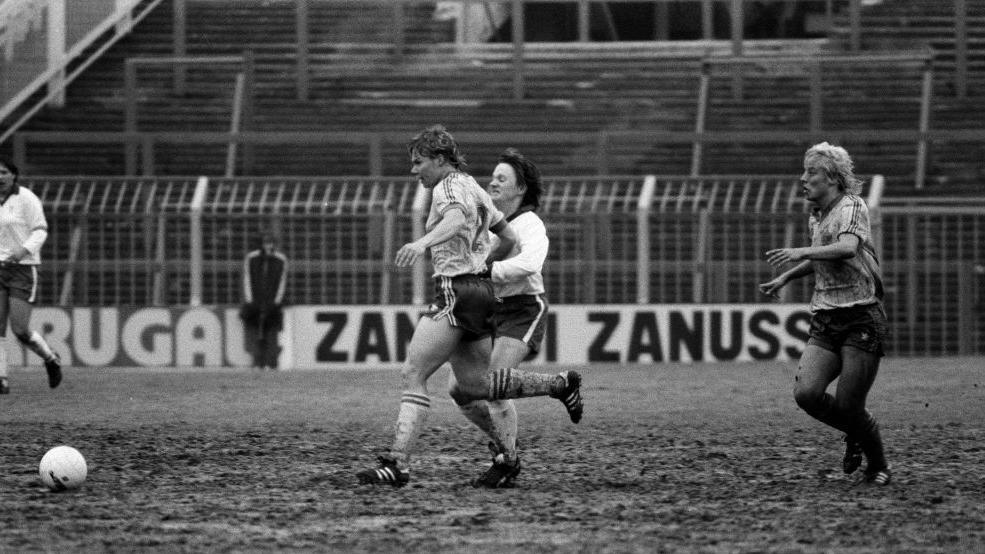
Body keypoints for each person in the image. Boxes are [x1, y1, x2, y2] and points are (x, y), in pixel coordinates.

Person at [355, 125, 527, 487]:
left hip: (455, 291)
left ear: (439, 159)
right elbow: (509, 237)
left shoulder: (447, 187)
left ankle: (397, 464)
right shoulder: (472, 186)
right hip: (480, 290)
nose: (414, 170)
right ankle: (510, 454)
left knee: (414, 374)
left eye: (419, 162)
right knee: (472, 387)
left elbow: (455, 219)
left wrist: (421, 244)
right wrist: (483, 267)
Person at [447, 148, 583, 488]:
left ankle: (508, 460)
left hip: (524, 309)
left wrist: (488, 269)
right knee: (461, 389)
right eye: (492, 176)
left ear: (520, 189)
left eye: (501, 177)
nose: (492, 181)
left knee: (493, 384)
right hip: (491, 308)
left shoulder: (529, 224)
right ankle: (548, 397)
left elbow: (530, 265)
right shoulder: (490, 224)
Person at [758, 142, 891, 486]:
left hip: (861, 315)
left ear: (832, 178)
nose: (803, 179)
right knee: (807, 395)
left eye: (811, 172)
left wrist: (799, 251)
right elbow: (823, 256)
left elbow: (847, 248)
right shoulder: (817, 214)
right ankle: (856, 431)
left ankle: (878, 466)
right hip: (826, 317)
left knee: (849, 405)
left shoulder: (852, 206)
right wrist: (788, 275)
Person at [0, 159, 62, 394]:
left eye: (4, 172)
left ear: (14, 176)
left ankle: (50, 358)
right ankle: (1, 378)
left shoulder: (26, 198)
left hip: (23, 269)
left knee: (20, 329)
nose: (0, 177)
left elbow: (40, 230)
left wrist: (23, 250)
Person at [240, 232, 287, 369]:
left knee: (271, 333)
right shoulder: (252, 258)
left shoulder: (280, 259)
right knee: (255, 332)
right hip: (255, 301)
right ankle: (257, 361)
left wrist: (276, 301)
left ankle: (271, 362)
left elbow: (282, 281)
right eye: (266, 242)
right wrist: (250, 300)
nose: (268, 245)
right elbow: (247, 278)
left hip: (272, 302)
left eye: (270, 242)